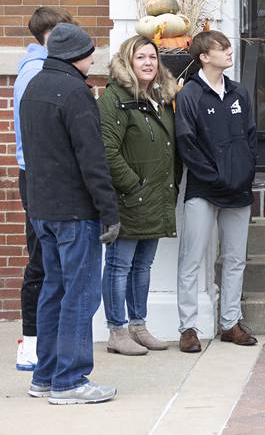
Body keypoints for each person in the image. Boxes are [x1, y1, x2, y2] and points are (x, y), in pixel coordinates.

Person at [19, 22, 120, 404]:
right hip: (74, 211)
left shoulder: (33, 87)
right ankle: (70, 380)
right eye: (91, 52)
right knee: (80, 294)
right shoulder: (76, 93)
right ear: (79, 56)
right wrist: (108, 211)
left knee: (53, 290)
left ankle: (45, 376)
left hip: (42, 206)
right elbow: (92, 159)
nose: (94, 57)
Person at [175, 30, 258, 353]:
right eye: (220, 48)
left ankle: (230, 323)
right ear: (204, 57)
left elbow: (250, 139)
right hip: (203, 189)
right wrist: (215, 177)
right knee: (192, 258)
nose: (228, 51)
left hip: (238, 189)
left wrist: (244, 173)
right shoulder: (190, 95)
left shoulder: (239, 93)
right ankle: (188, 328)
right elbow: (187, 144)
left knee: (235, 258)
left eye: (228, 47)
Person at [98, 35, 179, 355]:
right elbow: (106, 150)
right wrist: (134, 185)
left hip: (155, 197)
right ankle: (116, 331)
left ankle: (138, 326)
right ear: (127, 63)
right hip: (129, 198)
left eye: (153, 57)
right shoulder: (114, 98)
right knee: (119, 265)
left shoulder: (160, 97)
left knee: (143, 266)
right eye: (140, 58)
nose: (148, 63)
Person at [12, 7, 74, 371]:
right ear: (50, 35)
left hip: (40, 174)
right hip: (38, 174)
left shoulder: (43, 68)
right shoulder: (36, 72)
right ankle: (31, 342)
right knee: (40, 259)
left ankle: (43, 341)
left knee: (46, 258)